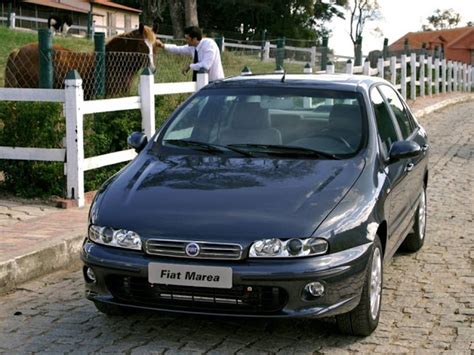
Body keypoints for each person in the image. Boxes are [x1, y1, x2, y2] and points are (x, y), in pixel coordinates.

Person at [156, 26, 224, 82]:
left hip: (215, 83)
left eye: (187, 38)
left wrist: (190, 66)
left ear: (194, 39)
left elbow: (205, 66)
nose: (186, 40)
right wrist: (162, 45)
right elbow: (178, 49)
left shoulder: (209, 45)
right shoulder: (193, 46)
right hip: (203, 82)